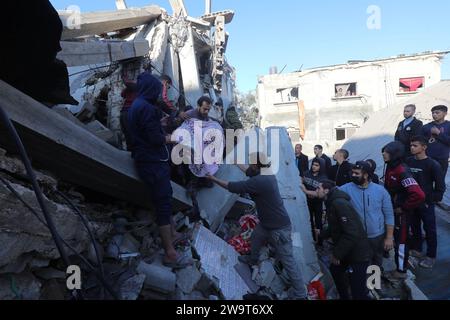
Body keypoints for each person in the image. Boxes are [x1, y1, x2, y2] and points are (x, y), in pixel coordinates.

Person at [206, 153, 308, 300]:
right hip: (267, 223)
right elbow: (248, 171)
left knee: (288, 260)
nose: (250, 164)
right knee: (256, 237)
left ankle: (301, 293)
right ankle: (252, 260)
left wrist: (213, 178)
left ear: (256, 165)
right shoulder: (264, 172)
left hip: (279, 228)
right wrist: (236, 162)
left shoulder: (260, 181)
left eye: (251, 162)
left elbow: (233, 187)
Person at [128, 72, 192, 269]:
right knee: (163, 204)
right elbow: (155, 139)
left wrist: (161, 125)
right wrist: (175, 138)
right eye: (157, 90)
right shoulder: (146, 108)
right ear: (151, 89)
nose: (158, 93)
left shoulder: (137, 105)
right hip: (152, 161)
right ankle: (170, 253)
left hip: (150, 159)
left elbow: (146, 130)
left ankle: (173, 234)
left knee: (166, 197)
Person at [316, 180, 371, 300]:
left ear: (326, 190)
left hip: (357, 253)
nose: (316, 191)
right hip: (347, 249)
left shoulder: (339, 203)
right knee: (335, 270)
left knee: (358, 292)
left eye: (318, 188)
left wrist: (337, 254)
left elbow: (351, 233)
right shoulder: (331, 202)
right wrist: (321, 234)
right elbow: (335, 226)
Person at [382, 142, 425, 279]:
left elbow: (419, 194)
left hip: (402, 214)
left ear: (395, 154)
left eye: (387, 152)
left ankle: (401, 271)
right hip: (392, 210)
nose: (383, 154)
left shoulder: (402, 171)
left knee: (401, 242)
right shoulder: (390, 166)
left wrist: (403, 207)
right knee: (393, 237)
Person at [340, 161, 395, 268]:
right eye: (352, 173)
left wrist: (389, 237)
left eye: (357, 173)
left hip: (377, 236)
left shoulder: (381, 191)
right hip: (357, 236)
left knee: (376, 263)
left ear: (365, 175)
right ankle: (360, 282)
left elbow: (389, 215)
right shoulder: (345, 189)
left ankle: (374, 283)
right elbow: (332, 194)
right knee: (359, 264)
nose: (353, 175)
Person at [406, 136, 446, 268]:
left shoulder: (432, 164)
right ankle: (417, 249)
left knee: (430, 229)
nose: (412, 147)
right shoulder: (409, 162)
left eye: (415, 145)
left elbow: (440, 188)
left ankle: (431, 256)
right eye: (411, 145)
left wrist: (430, 200)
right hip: (412, 202)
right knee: (414, 226)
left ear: (424, 147)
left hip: (426, 203)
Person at [301, 158, 327, 242]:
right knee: (309, 220)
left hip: (318, 203)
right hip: (307, 202)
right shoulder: (306, 174)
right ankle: (311, 239)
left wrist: (309, 192)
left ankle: (320, 241)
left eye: (317, 165)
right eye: (313, 164)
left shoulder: (323, 178)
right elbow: (300, 183)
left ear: (321, 166)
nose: (314, 167)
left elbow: (319, 192)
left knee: (318, 221)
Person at [421, 105, 450, 176]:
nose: (434, 115)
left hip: (442, 159)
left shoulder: (449, 125)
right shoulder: (426, 127)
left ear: (445, 113)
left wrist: (439, 133)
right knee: (426, 181)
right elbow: (420, 142)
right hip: (427, 158)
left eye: (437, 113)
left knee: (439, 182)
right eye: (433, 113)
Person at [120, 80, 138, 150]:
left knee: (127, 134)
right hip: (130, 112)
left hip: (124, 112)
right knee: (131, 134)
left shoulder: (129, 89)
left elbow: (122, 95)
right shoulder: (138, 89)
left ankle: (130, 150)